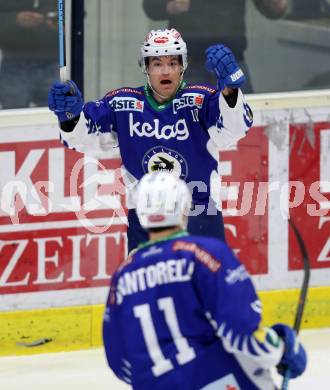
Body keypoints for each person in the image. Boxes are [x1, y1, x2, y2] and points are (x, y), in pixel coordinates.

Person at [48, 28, 254, 252]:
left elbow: (235, 129)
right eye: (157, 64)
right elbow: (81, 139)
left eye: (173, 63)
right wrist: (69, 116)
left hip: (200, 215)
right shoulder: (122, 104)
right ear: (146, 67)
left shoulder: (202, 100)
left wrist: (230, 91)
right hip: (146, 219)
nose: (166, 71)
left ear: (183, 66)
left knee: (207, 286)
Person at [102, 171, 307, 390]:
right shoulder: (205, 254)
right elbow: (242, 331)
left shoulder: (123, 275)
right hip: (215, 380)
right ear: (184, 208)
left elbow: (119, 360)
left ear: (141, 212)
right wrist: (281, 348)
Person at [143, 0, 290, 92]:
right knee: (186, 132)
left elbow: (276, 10)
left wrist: (277, 4)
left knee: (243, 132)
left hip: (230, 64)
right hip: (188, 65)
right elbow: (150, 6)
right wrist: (170, 6)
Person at [0, 0, 58, 109]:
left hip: (54, 63)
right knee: (13, 118)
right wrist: (15, 20)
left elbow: (78, 16)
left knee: (57, 117)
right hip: (14, 64)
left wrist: (65, 24)